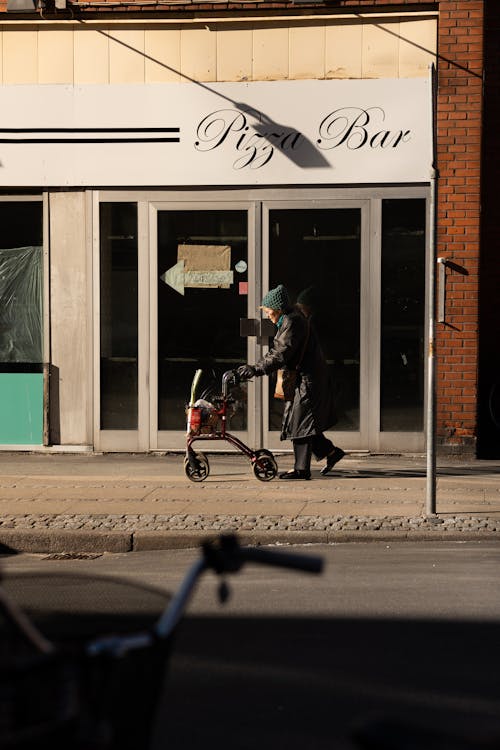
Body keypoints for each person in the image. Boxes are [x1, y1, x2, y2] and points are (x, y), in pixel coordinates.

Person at [237, 284, 344, 480]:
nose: (268, 316)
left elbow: (280, 353)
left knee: (300, 422)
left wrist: (255, 369)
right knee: (303, 420)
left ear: (278, 309)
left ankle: (301, 469)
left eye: (269, 312)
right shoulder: (290, 319)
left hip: (307, 380)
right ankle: (330, 452)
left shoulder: (292, 322)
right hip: (306, 378)